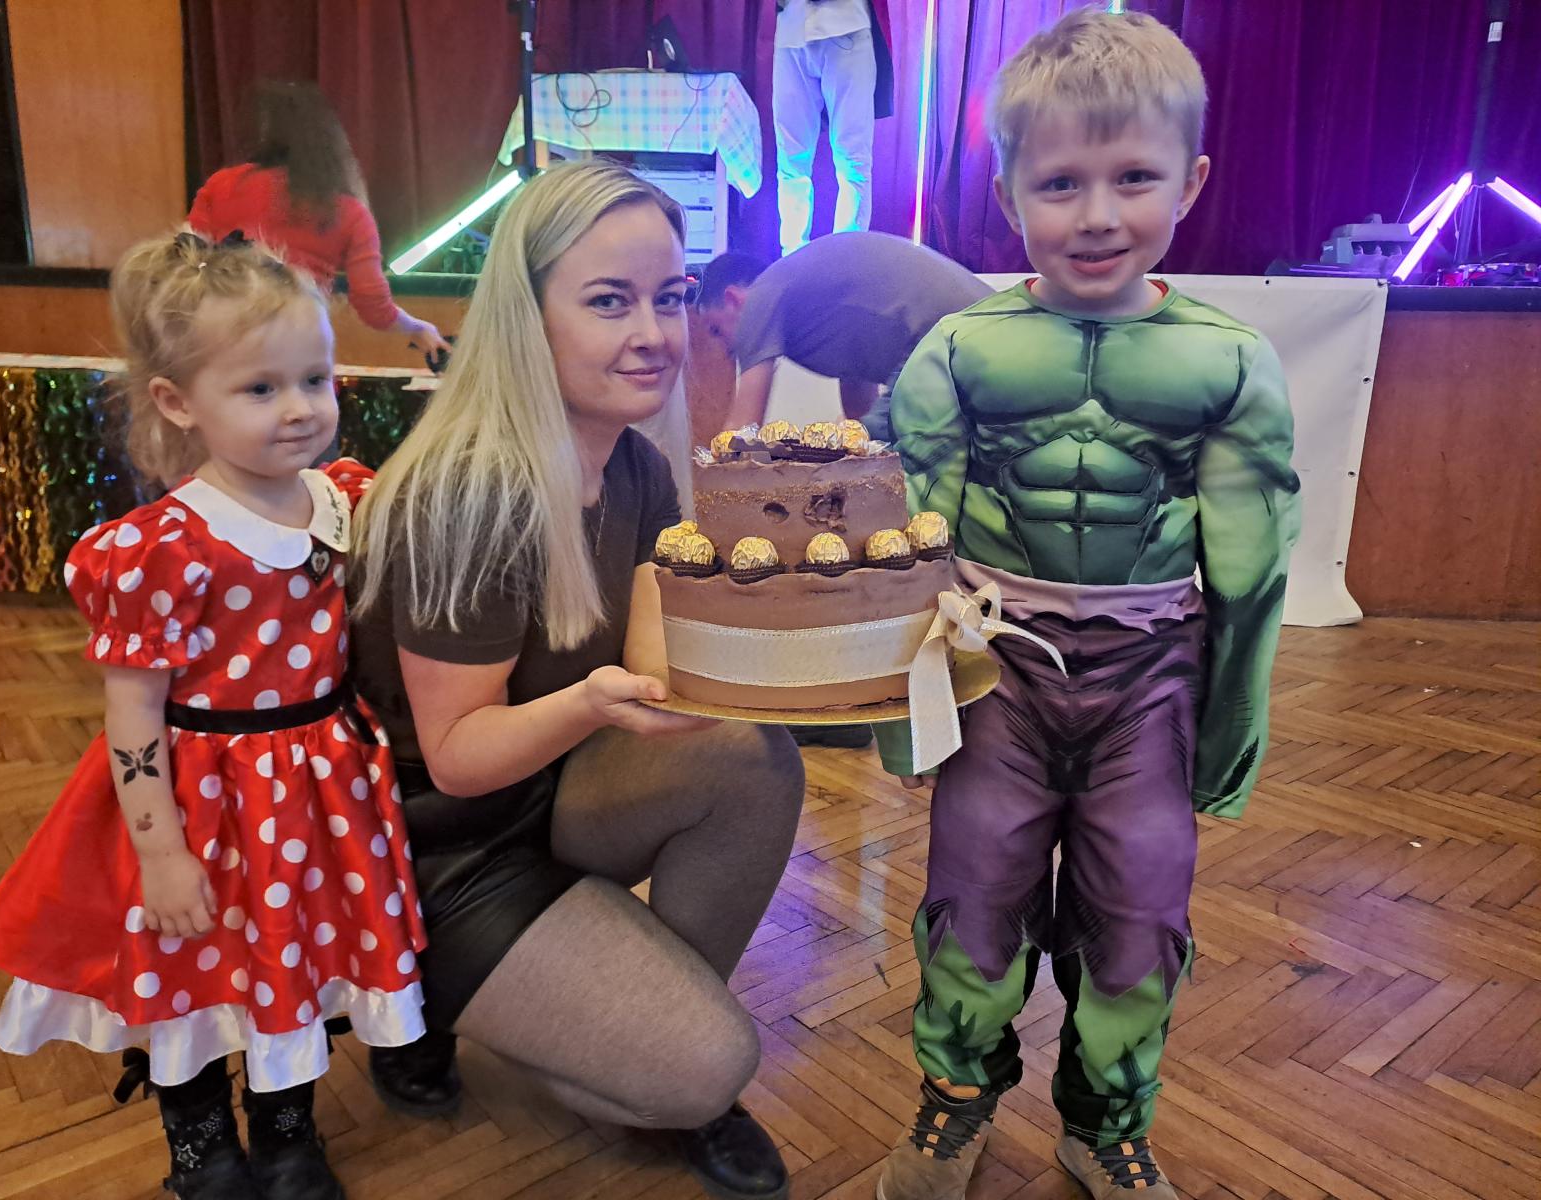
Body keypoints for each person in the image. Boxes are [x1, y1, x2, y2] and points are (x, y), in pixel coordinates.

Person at [872, 11, 1302, 1200]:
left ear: (1190, 182)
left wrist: (1231, 728)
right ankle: (953, 1102)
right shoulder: (957, 351)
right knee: (972, 896)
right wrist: (901, 721)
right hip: (994, 672)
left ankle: (1108, 1122)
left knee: (1139, 912)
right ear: (1008, 193)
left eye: (1133, 179)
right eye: (1060, 182)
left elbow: (1253, 565)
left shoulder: (1227, 362)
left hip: (1148, 678)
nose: (1097, 214)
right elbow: (909, 544)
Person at [348, 161, 805, 1200]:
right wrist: (594, 704)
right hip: (442, 854)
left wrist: (790, 647)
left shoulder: (635, 465)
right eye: (609, 301)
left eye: (670, 298)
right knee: (709, 1066)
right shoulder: (466, 495)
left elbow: (655, 667)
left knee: (753, 760)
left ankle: (626, 1028)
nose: (654, 333)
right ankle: (427, 1000)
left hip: (550, 792)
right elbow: (458, 762)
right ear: (527, 317)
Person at [0, 231, 427, 1200]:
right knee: (191, 974)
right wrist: (161, 851)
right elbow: (133, 714)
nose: (300, 408)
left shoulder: (343, 499)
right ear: (179, 402)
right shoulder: (159, 549)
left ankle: (290, 1135)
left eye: (315, 379)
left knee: (292, 961)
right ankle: (201, 1150)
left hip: (318, 794)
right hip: (204, 807)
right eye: (261, 389)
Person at [190, 80, 451, 359]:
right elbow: (373, 304)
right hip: (300, 345)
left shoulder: (220, 186)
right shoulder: (348, 210)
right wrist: (416, 327)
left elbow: (184, 261)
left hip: (223, 341)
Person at [697, 234, 992, 442]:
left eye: (716, 330)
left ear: (733, 299)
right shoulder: (812, 305)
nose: (723, 348)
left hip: (944, 335)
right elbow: (856, 393)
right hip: (980, 325)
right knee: (871, 452)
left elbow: (742, 433)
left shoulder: (760, 296)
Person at [772, 0, 893, 254]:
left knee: (853, 159)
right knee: (791, 160)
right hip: (791, 30)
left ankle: (846, 258)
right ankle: (793, 257)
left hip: (846, 25)